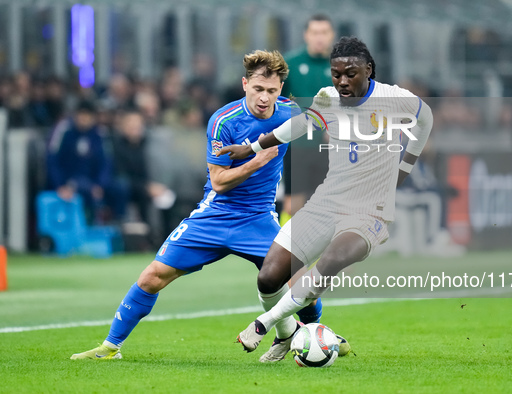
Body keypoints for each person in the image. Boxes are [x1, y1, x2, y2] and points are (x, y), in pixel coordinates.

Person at [70, 50, 321, 361]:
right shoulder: (223, 121)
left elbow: (319, 123)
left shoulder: (290, 114)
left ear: (280, 89)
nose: (264, 97)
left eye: (271, 90)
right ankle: (110, 348)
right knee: (152, 277)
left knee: (303, 281)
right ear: (245, 84)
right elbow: (218, 181)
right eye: (258, 89)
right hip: (215, 215)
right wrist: (258, 161)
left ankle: (317, 339)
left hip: (258, 217)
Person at [218, 37, 433, 360]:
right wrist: (251, 148)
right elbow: (298, 126)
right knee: (269, 276)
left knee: (330, 262)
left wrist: (405, 166)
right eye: (336, 74)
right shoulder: (328, 100)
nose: (342, 81)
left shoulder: (394, 99)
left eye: (351, 73)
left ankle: (263, 323)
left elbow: (426, 117)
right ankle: (286, 335)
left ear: (368, 70)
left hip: (368, 213)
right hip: (326, 203)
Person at [281, 14, 335, 224]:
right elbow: (277, 101)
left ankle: (315, 255)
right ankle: (284, 251)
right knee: (293, 204)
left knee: (324, 205)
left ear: (331, 35)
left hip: (329, 147)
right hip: (298, 145)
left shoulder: (340, 66)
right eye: (315, 33)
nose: (319, 38)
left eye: (324, 33)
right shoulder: (291, 64)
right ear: (306, 35)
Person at [47, 100, 127, 223]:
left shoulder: (100, 133)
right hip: (71, 180)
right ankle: (90, 225)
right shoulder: (64, 130)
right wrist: (60, 185)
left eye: (87, 116)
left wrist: (100, 184)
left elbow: (106, 162)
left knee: (121, 187)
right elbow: (53, 160)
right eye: (81, 115)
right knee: (83, 187)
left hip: (94, 181)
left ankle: (118, 224)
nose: (84, 119)